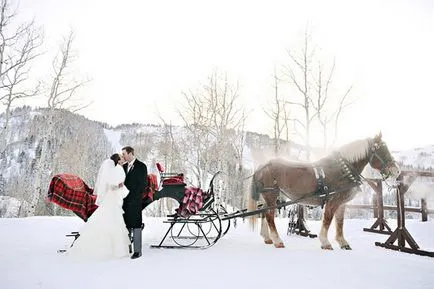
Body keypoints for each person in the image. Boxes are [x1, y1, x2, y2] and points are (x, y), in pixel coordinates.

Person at [68, 153, 130, 262]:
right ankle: (107, 249)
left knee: (113, 220)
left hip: (114, 198)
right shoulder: (110, 169)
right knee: (110, 219)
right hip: (111, 198)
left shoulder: (116, 168)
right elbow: (108, 186)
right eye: (121, 157)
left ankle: (115, 249)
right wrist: (118, 186)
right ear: (117, 160)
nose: (122, 158)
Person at [122, 146, 147, 259]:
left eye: (124, 154)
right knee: (125, 225)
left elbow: (142, 185)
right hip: (123, 201)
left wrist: (133, 197)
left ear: (130, 153)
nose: (123, 156)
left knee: (136, 225)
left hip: (135, 201)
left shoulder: (142, 166)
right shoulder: (123, 167)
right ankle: (127, 248)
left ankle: (138, 251)